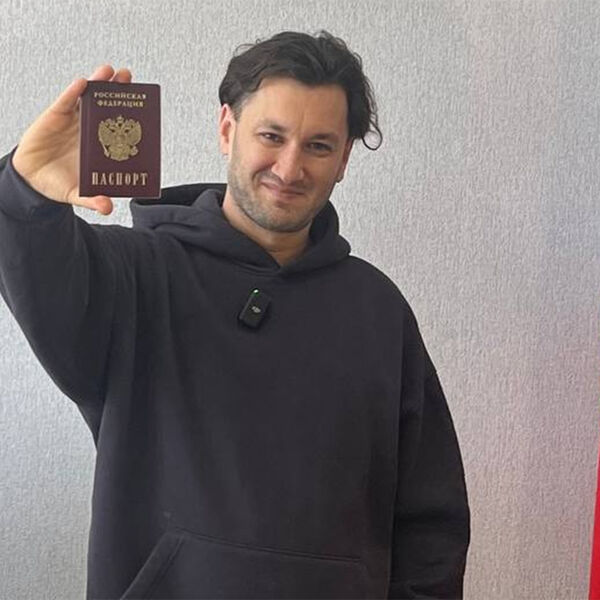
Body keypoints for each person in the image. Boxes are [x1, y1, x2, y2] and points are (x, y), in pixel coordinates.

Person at [0, 30, 470, 599]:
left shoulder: (379, 310)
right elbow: (35, 268)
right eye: (271, 136)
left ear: (345, 158)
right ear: (227, 129)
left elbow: (430, 521)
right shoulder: (133, 277)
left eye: (319, 146)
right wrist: (24, 195)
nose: (289, 168)